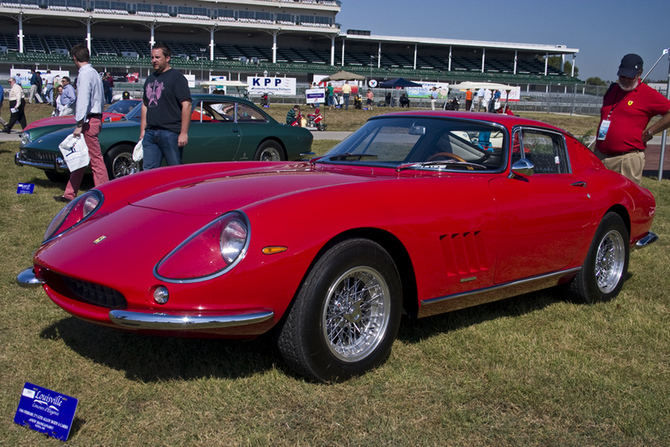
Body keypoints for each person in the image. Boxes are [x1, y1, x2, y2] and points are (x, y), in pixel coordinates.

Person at [595, 54, 670, 185]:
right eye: (622, 76)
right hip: (601, 156)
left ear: (639, 73)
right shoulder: (612, 89)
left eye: (630, 77)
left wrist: (650, 132)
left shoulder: (647, 94)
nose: (625, 80)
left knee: (626, 200)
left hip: (626, 160)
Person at [56, 44, 109, 203]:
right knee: (80, 157)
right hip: (94, 117)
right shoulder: (94, 73)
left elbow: (83, 100)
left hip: (88, 120)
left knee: (95, 160)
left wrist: (79, 123)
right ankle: (69, 193)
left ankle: (105, 193)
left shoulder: (85, 74)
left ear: (74, 58)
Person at [140, 42, 192, 170]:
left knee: (175, 171)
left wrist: (183, 133)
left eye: (157, 57)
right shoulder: (150, 79)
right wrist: (143, 130)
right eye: (152, 57)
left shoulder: (176, 78)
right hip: (151, 133)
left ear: (167, 58)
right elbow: (145, 105)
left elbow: (187, 105)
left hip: (170, 133)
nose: (154, 60)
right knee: (148, 172)